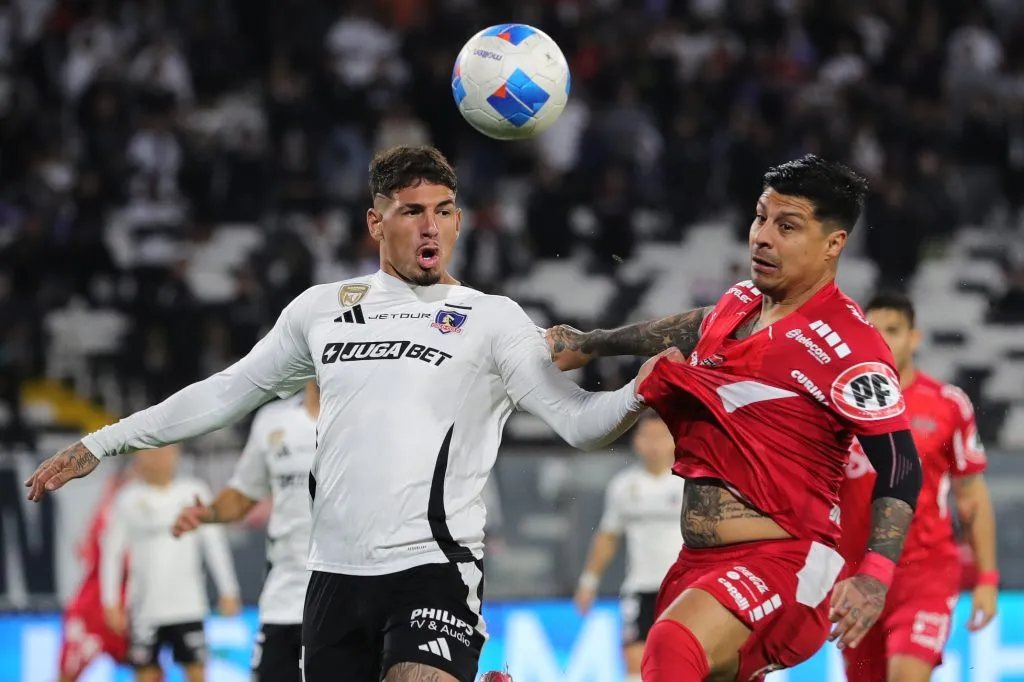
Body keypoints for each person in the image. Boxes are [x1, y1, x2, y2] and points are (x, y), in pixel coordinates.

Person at [25, 145, 648, 682]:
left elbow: (578, 422)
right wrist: (102, 443)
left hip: (433, 566)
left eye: (444, 212)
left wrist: (641, 393)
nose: (431, 227)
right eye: (412, 212)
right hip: (330, 579)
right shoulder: (322, 310)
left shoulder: (493, 319)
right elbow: (225, 392)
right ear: (376, 222)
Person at [547, 154, 923, 681]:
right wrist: (589, 345)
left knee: (672, 645)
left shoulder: (851, 348)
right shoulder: (740, 302)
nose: (762, 237)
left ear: (833, 244)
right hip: (699, 565)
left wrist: (876, 573)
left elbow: (903, 464)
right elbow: (690, 326)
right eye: (760, 218)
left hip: (784, 561)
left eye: (786, 226)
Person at [838, 291, 998, 682]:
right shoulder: (837, 404)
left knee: (907, 674)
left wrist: (988, 578)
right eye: (873, 330)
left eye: (893, 330)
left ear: (915, 337)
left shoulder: (947, 404)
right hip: (857, 574)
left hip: (924, 572)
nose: (883, 339)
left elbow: (972, 497)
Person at [170, 380, 320, 682]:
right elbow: (242, 496)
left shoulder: (363, 418)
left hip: (345, 598)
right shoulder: (273, 421)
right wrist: (208, 513)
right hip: (284, 600)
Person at [100, 444, 241, 682]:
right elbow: (111, 553)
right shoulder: (128, 498)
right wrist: (110, 601)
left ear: (176, 455)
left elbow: (214, 544)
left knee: (196, 672)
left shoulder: (193, 492)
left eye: (164, 452)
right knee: (146, 674)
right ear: (139, 458)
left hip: (188, 606)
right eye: (150, 453)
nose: (157, 459)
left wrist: (229, 590)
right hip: (145, 609)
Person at [574, 411, 683, 682]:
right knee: (636, 661)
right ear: (637, 441)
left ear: (674, 440)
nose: (654, 445)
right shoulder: (624, 486)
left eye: (661, 437)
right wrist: (588, 582)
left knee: (684, 659)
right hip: (640, 588)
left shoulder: (689, 482)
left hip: (683, 587)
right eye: (648, 437)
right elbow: (608, 536)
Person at [58, 465, 135, 682]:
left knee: (149, 671)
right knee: (67, 675)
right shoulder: (110, 513)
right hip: (92, 610)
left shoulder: (112, 509)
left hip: (128, 610)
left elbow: (82, 550)